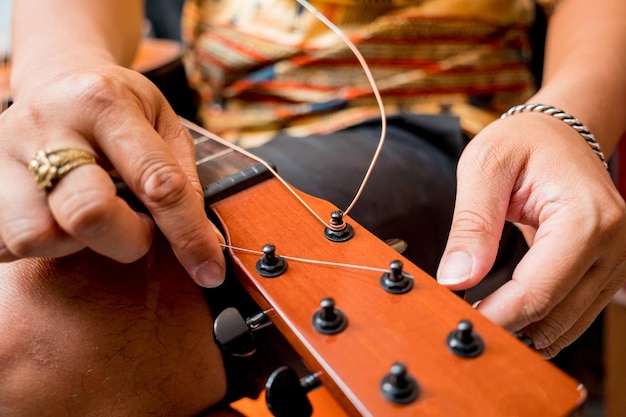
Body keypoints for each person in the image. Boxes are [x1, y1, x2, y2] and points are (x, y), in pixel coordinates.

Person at [0, 0, 625, 415]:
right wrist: (63, 71)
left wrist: (569, 117)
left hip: (442, 134)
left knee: (29, 331)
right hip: (202, 132)